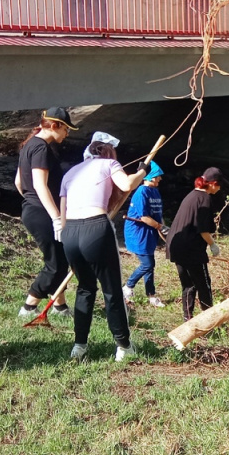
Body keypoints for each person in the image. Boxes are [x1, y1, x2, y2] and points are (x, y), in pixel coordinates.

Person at [60, 132, 146, 362]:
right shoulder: (109, 163)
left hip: (70, 233)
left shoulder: (70, 172)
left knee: (85, 289)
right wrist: (142, 172)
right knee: (112, 290)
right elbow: (127, 184)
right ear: (108, 151)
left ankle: (79, 347)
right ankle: (123, 346)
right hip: (96, 229)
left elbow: (63, 212)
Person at [15, 108, 76, 319]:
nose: (67, 133)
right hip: (43, 213)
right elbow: (41, 186)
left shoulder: (29, 145)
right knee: (56, 263)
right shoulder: (41, 148)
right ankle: (29, 306)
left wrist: (29, 201)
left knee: (60, 257)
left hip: (34, 210)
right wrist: (56, 217)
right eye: (66, 128)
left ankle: (60, 306)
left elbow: (18, 183)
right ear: (54, 125)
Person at [166, 167, 226, 322]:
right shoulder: (204, 199)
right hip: (191, 249)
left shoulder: (192, 195)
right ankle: (210, 319)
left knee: (188, 285)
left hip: (176, 246)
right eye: (219, 185)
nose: (219, 188)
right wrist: (213, 245)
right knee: (203, 284)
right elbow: (203, 230)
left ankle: (188, 319)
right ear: (212, 184)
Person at [123, 162, 167, 309]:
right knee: (148, 264)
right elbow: (144, 217)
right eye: (158, 177)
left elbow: (158, 213)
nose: (160, 179)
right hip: (138, 233)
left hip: (150, 233)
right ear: (151, 177)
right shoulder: (141, 192)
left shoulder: (155, 191)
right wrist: (160, 226)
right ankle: (127, 287)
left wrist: (163, 228)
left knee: (150, 266)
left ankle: (151, 296)